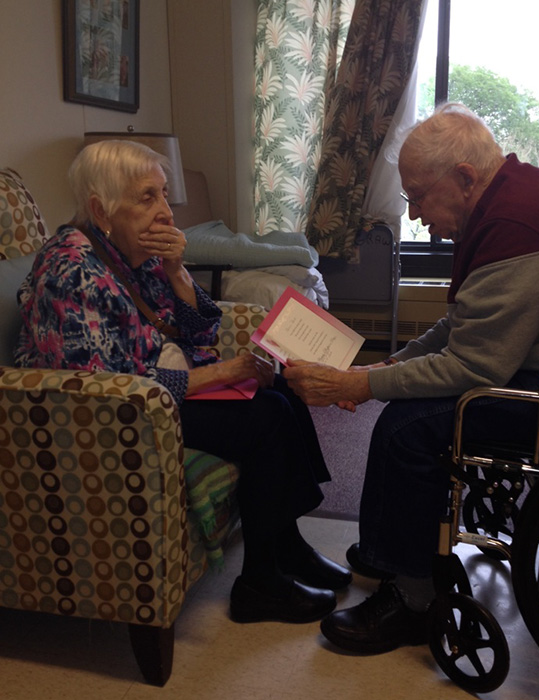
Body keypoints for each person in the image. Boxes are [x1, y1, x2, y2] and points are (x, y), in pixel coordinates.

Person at [283, 102, 539, 653]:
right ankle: (392, 553)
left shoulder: (518, 226)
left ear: (464, 179)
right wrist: (389, 365)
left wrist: (358, 385)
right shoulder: (513, 200)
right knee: (407, 404)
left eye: (419, 196)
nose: (415, 214)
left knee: (409, 427)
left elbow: (476, 366)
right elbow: (464, 323)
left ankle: (411, 601)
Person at [14, 139, 352, 625]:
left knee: (280, 389)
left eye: (164, 195)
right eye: (146, 198)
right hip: (123, 413)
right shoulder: (69, 272)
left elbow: (202, 329)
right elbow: (105, 385)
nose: (165, 212)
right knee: (266, 417)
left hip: (159, 385)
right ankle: (259, 583)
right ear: (99, 209)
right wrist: (220, 373)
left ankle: (287, 544)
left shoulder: (138, 252)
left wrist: (176, 272)